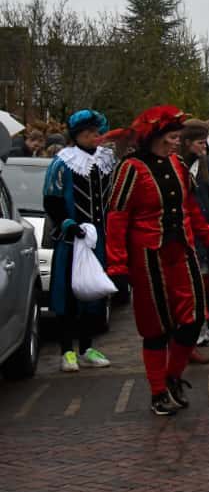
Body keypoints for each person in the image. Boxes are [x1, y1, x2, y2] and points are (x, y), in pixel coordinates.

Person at [106, 105, 209, 416]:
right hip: (148, 255)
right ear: (156, 136)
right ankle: (158, 391)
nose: (176, 142)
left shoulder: (178, 163)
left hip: (181, 250)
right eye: (172, 137)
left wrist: (208, 235)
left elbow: (190, 207)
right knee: (155, 327)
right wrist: (117, 263)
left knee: (193, 317)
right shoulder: (130, 168)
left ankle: (172, 378)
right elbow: (116, 217)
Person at [43, 110, 116, 372]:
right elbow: (51, 199)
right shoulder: (63, 162)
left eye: (96, 133)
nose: (93, 138)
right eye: (87, 134)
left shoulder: (106, 160)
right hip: (72, 239)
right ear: (76, 136)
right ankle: (66, 352)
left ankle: (87, 348)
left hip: (98, 238)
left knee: (93, 294)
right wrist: (68, 224)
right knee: (69, 295)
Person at [180, 121, 209, 362]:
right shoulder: (179, 167)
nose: (205, 146)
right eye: (200, 142)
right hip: (189, 234)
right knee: (193, 284)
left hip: (208, 230)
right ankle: (192, 332)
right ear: (188, 143)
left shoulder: (206, 165)